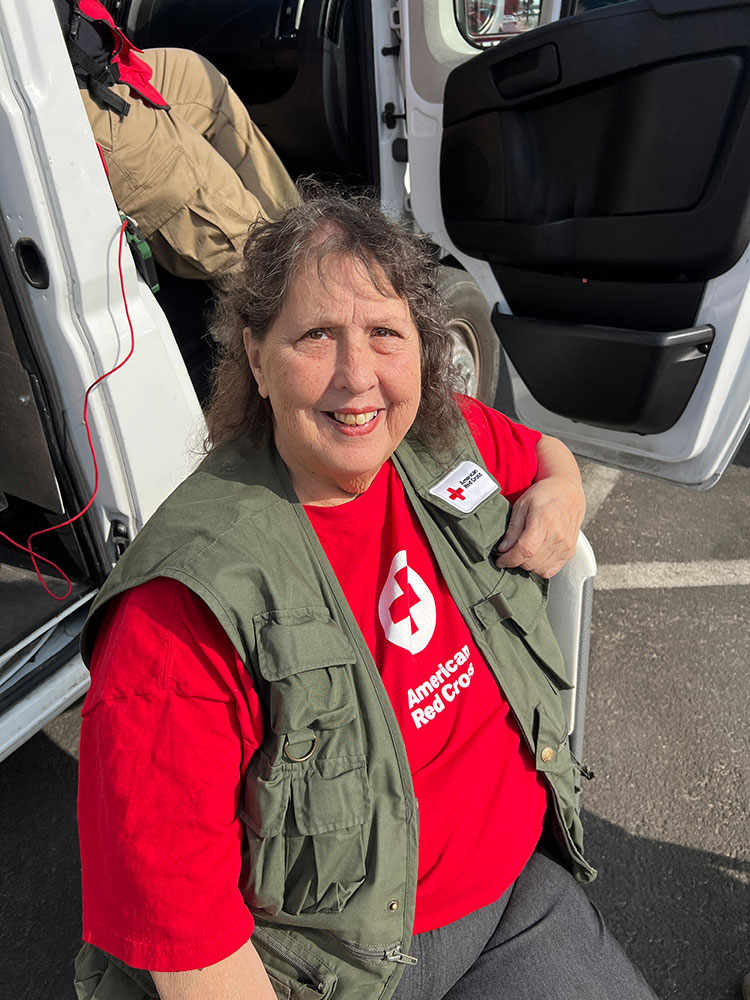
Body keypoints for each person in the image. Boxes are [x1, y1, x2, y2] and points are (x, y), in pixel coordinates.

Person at [74, 188, 656, 1000]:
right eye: (316, 335)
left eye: (385, 333)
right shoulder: (183, 609)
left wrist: (563, 492)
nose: (358, 378)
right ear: (256, 355)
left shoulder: (443, 440)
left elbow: (543, 455)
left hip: (514, 898)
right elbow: (192, 950)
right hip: (331, 974)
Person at [55, 0, 297, 282]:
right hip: (73, 94)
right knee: (242, 247)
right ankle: (283, 290)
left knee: (202, 83)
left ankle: (298, 240)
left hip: (97, 56)